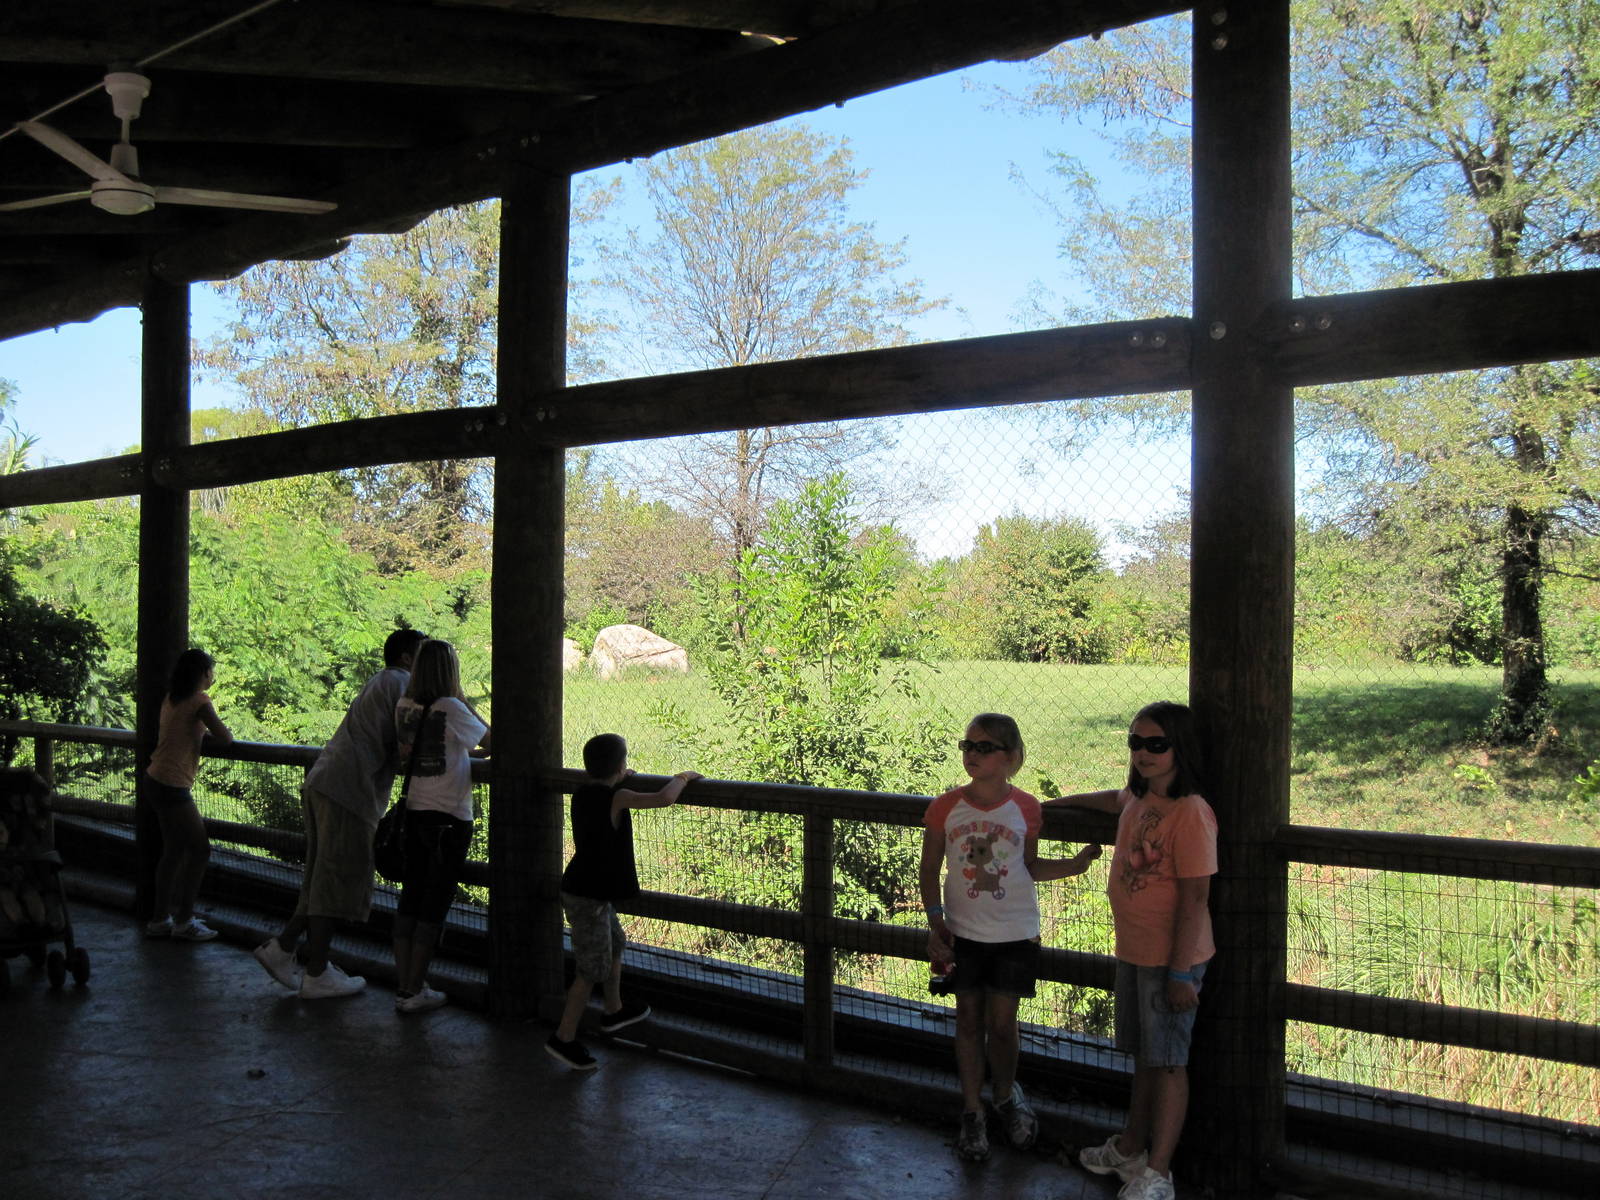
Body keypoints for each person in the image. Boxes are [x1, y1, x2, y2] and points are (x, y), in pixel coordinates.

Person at [1047, 700, 1217, 1200]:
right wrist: (1049, 806)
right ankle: (1129, 1148)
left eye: (1156, 744)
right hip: (1136, 952)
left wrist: (1181, 972)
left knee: (1168, 1063)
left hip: (1171, 959)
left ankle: (1158, 1172)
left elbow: (1196, 897)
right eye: (1135, 743)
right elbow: (1110, 798)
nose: (1143, 753)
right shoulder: (1140, 799)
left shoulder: (1191, 813)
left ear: (1179, 749)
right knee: (1145, 1055)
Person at [921, 712, 1102, 1161]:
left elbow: (1029, 866)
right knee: (967, 1022)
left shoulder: (1026, 808)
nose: (972, 755)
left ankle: (1004, 1096)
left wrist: (1075, 866)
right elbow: (928, 868)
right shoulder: (945, 807)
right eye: (968, 746)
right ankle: (972, 1112)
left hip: (1015, 933)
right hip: (962, 932)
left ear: (1012, 757)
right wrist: (934, 921)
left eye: (984, 747)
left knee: (1002, 1025)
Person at [253, 627, 428, 999]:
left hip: (327, 781)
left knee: (321, 875)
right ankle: (316, 972)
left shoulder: (381, 681)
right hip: (351, 790)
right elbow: (407, 747)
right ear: (408, 658)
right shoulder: (402, 684)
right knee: (336, 879)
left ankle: (284, 948)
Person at [546, 733, 701, 1071]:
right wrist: (683, 777)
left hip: (582, 888)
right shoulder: (618, 797)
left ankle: (614, 1010)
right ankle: (564, 1037)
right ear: (619, 765)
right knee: (590, 970)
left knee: (616, 941)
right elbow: (664, 798)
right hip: (589, 897)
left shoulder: (585, 792)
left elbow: (609, 795)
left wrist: (620, 779)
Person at [390, 639, 489, 1013]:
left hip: (415, 812)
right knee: (434, 905)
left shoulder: (405, 705)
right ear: (450, 671)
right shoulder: (452, 706)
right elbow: (491, 741)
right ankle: (415, 989)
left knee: (411, 898)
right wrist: (466, 703)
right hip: (449, 815)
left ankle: (404, 985)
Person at [143, 648, 233, 941]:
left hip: (155, 777)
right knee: (199, 850)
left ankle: (159, 919)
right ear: (203, 674)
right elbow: (225, 737)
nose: (212, 676)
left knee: (172, 851)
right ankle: (183, 921)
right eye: (211, 671)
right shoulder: (200, 701)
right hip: (173, 784)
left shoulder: (173, 698)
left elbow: (183, 731)